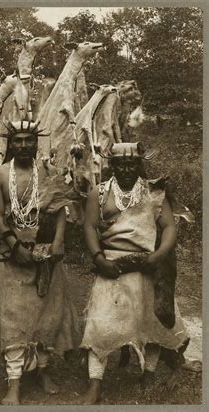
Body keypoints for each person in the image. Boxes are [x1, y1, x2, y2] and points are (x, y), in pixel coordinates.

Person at [79, 142, 188, 404]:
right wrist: (98, 257)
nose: (126, 169)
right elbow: (90, 227)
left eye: (132, 164)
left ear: (140, 165)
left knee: (151, 321)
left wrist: (158, 256)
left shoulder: (153, 192)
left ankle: (148, 373)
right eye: (120, 164)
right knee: (100, 322)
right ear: (112, 166)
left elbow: (169, 227)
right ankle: (95, 383)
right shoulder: (100, 193)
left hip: (149, 264)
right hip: (112, 265)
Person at [0, 120, 79, 405]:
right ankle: (13, 383)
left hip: (47, 254)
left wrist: (59, 241)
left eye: (29, 140)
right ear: (10, 144)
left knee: (48, 316)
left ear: (37, 143)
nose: (24, 146)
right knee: (14, 316)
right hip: (12, 255)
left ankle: (41, 370)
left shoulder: (49, 172)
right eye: (18, 141)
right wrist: (14, 245)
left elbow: (61, 208)